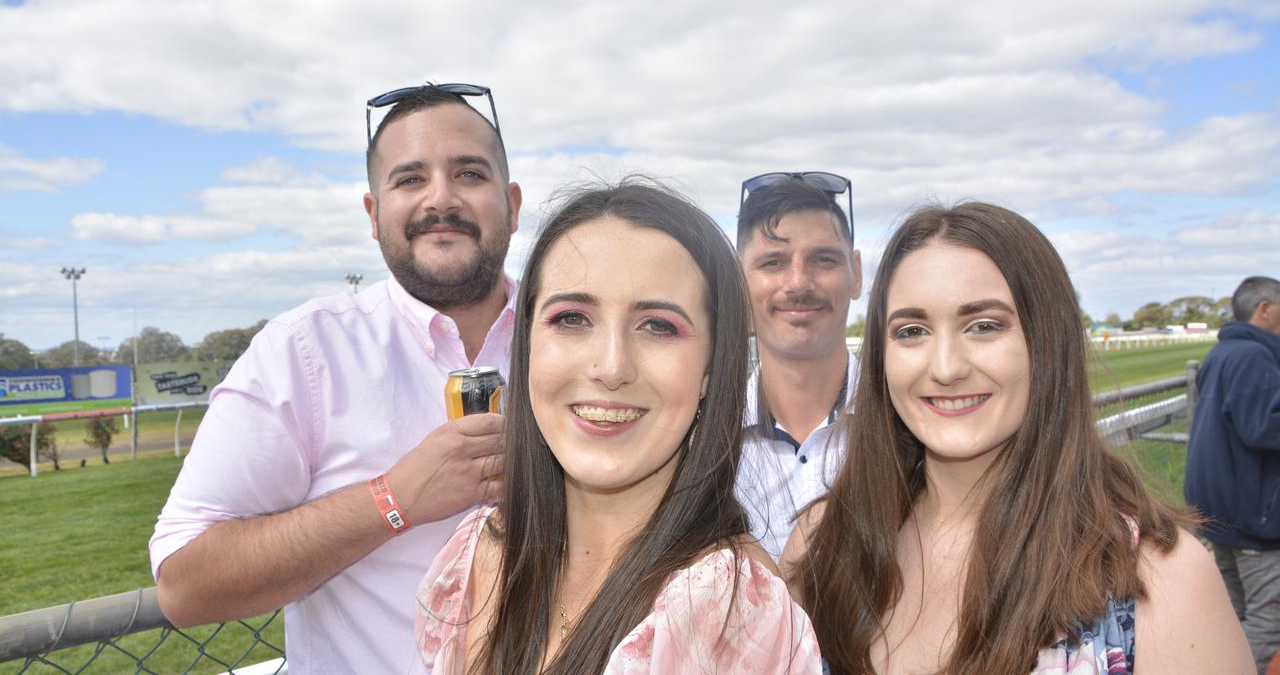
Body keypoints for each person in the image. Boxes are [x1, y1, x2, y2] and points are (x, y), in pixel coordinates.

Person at [784, 201, 1251, 674]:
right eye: (912, 330)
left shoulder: (1162, 581)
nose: (945, 368)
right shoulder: (821, 543)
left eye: (984, 325)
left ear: (1047, 341)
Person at [149, 83, 521, 674]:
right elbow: (185, 584)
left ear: (514, 204)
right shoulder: (302, 353)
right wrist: (393, 499)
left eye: (470, 174)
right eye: (409, 179)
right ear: (374, 216)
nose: (441, 199)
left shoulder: (579, 340)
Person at [412, 180, 820, 674]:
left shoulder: (728, 613)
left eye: (657, 326)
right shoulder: (477, 553)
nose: (610, 366)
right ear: (527, 345)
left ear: (712, 366)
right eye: (571, 319)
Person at [733, 172, 862, 561]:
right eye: (773, 262)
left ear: (856, 272)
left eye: (824, 259)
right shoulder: (697, 442)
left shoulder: (912, 426)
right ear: (739, 282)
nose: (798, 282)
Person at [1186, 275, 1280, 673]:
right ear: (1263, 309)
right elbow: (1263, 427)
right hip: (1252, 514)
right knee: (1268, 619)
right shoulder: (1254, 356)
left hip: (1218, 510)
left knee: (1233, 610)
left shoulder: (1222, 353)